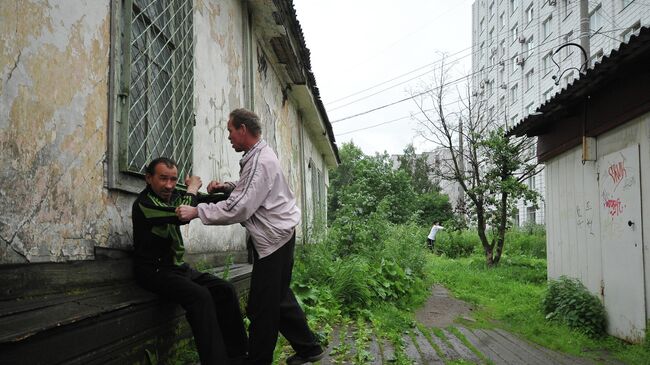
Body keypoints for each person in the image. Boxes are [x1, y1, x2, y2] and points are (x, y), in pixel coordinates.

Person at [176, 108, 324, 365]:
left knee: (261, 307)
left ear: (243, 129)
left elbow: (239, 207)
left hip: (274, 240)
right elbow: (253, 190)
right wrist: (228, 187)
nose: (229, 137)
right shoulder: (258, 155)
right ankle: (309, 349)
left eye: (230, 131)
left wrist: (196, 211)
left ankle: (258, 361)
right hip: (281, 235)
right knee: (277, 298)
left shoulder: (259, 161)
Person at [132, 157, 248, 365]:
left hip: (177, 268)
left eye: (173, 179)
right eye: (163, 179)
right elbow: (183, 214)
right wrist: (192, 187)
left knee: (225, 289)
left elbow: (209, 201)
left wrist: (221, 190)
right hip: (152, 271)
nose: (169, 185)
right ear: (149, 178)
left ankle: (239, 356)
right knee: (200, 296)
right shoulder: (144, 204)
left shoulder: (175, 195)